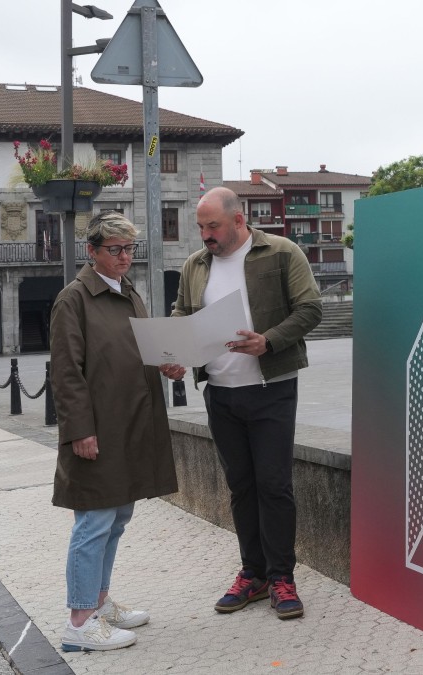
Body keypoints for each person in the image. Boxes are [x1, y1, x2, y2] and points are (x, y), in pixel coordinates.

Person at [160, 187, 322, 620]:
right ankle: (253, 574)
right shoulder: (196, 264)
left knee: (274, 485)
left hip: (271, 388)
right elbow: (181, 314)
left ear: (238, 220)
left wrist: (268, 341)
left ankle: (282, 577)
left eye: (212, 226)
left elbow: (310, 310)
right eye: (200, 227)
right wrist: (174, 355)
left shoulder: (283, 252)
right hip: (220, 391)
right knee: (241, 487)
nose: (205, 235)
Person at [50, 212, 179, 651]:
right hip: (98, 429)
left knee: (118, 517)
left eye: (129, 249)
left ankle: (99, 603)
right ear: (93, 251)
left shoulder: (129, 294)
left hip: (129, 423)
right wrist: (80, 431)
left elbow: (138, 350)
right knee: (94, 519)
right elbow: (67, 373)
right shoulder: (74, 300)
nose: (125, 257)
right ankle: (79, 622)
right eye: (115, 250)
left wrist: (166, 363)